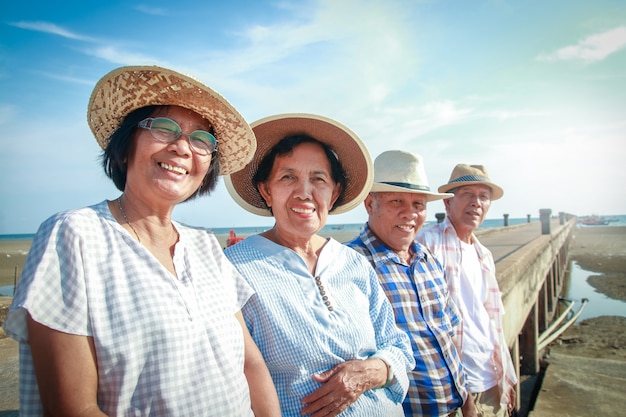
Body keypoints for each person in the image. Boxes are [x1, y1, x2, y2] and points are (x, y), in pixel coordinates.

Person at [3, 66, 281, 416]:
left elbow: (250, 365)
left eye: (202, 140)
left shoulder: (205, 245)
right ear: (124, 147)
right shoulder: (75, 235)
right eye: (164, 128)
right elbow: (74, 408)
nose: (182, 147)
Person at [223, 114, 415, 417]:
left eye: (318, 179)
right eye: (288, 177)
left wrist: (372, 371)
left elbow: (398, 345)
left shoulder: (354, 264)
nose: (304, 192)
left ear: (334, 193)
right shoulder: (233, 268)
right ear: (266, 191)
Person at [346, 150, 476, 417]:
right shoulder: (349, 266)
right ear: (370, 204)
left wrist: (469, 405)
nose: (410, 214)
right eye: (396, 201)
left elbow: (447, 338)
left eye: (418, 205)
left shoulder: (428, 259)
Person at [418, 164, 517, 417]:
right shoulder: (427, 243)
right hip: (456, 388)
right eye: (467, 194)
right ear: (447, 204)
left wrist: (508, 376)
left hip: (492, 378)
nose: (476, 202)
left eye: (483, 196)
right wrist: (463, 396)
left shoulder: (484, 254)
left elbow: (492, 321)